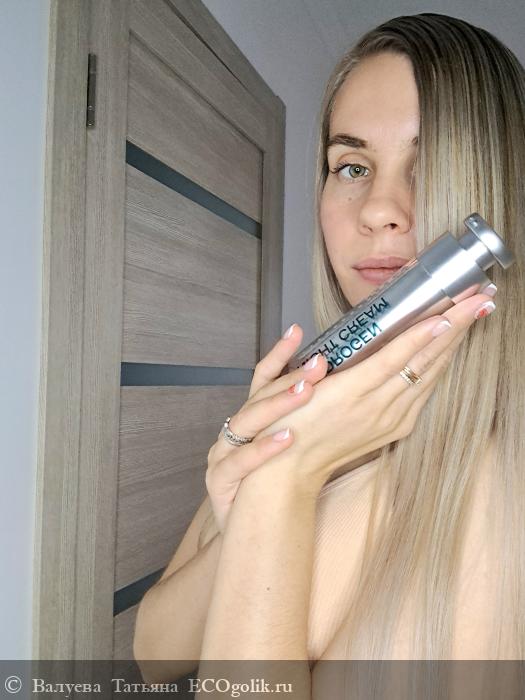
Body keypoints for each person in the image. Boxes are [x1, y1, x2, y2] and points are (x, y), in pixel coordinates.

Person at [133, 11, 525, 690]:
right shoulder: (306, 396)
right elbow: (154, 650)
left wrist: (280, 484)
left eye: (427, 165)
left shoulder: (498, 486)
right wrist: (251, 509)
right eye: (351, 166)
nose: (377, 209)